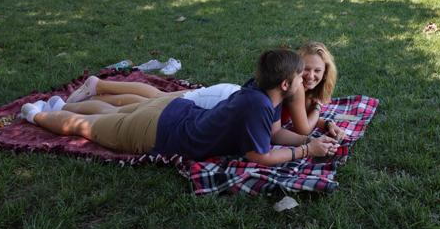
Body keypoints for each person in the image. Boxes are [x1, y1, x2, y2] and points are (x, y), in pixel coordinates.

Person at [21, 49, 339, 165]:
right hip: (161, 130)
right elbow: (260, 156)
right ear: (285, 85)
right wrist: (306, 152)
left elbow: (275, 135)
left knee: (112, 115)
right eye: (300, 77)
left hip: (172, 113)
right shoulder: (257, 106)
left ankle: (61, 105)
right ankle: (37, 114)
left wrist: (311, 140)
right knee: (88, 129)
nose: (305, 81)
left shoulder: (262, 93)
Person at [61, 42, 344, 140]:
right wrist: (321, 108)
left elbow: (298, 122)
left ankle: (99, 88)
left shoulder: (295, 87)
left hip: (226, 97)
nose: (310, 76)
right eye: (306, 69)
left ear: (326, 73)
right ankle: (97, 88)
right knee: (152, 101)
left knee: (152, 101)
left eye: (318, 72)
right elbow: (304, 129)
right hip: (217, 102)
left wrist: (326, 121)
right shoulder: (294, 88)